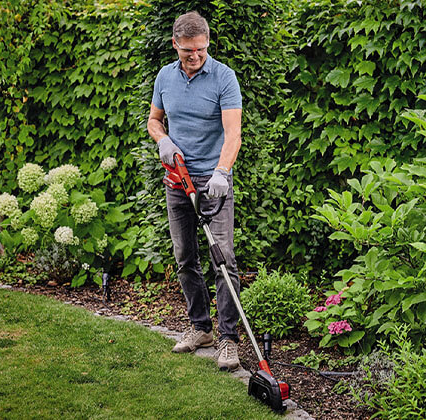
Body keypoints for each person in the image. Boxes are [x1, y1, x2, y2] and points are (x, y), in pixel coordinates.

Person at [146, 11, 243, 371]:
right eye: (188, 50)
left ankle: (228, 339)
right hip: (178, 180)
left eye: (201, 49)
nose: (196, 56)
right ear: (175, 44)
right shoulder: (165, 77)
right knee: (185, 256)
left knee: (224, 259)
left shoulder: (224, 77)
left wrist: (222, 172)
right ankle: (201, 328)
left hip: (213, 182)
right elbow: (154, 120)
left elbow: (233, 134)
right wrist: (163, 140)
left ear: (207, 42)